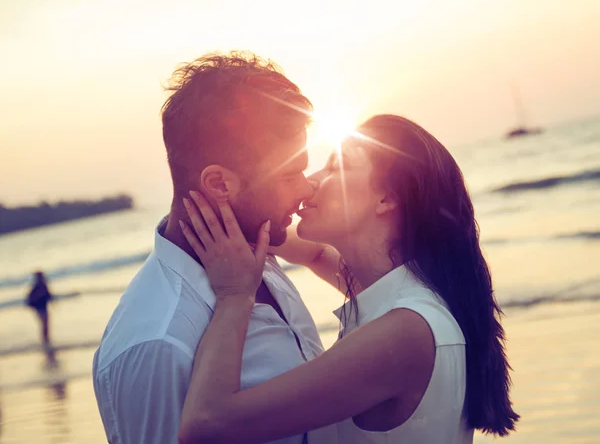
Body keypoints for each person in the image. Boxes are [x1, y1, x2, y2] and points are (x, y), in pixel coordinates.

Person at [177, 114, 520, 444]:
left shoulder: (403, 332)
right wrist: (236, 205)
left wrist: (234, 296)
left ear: (387, 199)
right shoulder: (411, 292)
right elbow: (311, 253)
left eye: (336, 168)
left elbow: (207, 424)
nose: (310, 181)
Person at [92, 52, 338, 444]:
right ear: (220, 185)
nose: (306, 188)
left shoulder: (257, 248)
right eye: (290, 173)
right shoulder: (156, 342)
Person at [26, 271, 55, 361]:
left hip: (43, 308)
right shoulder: (37, 287)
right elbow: (30, 300)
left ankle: (46, 341)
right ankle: (45, 342)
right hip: (40, 309)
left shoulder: (40, 286)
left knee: (45, 325)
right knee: (44, 325)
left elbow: (49, 296)